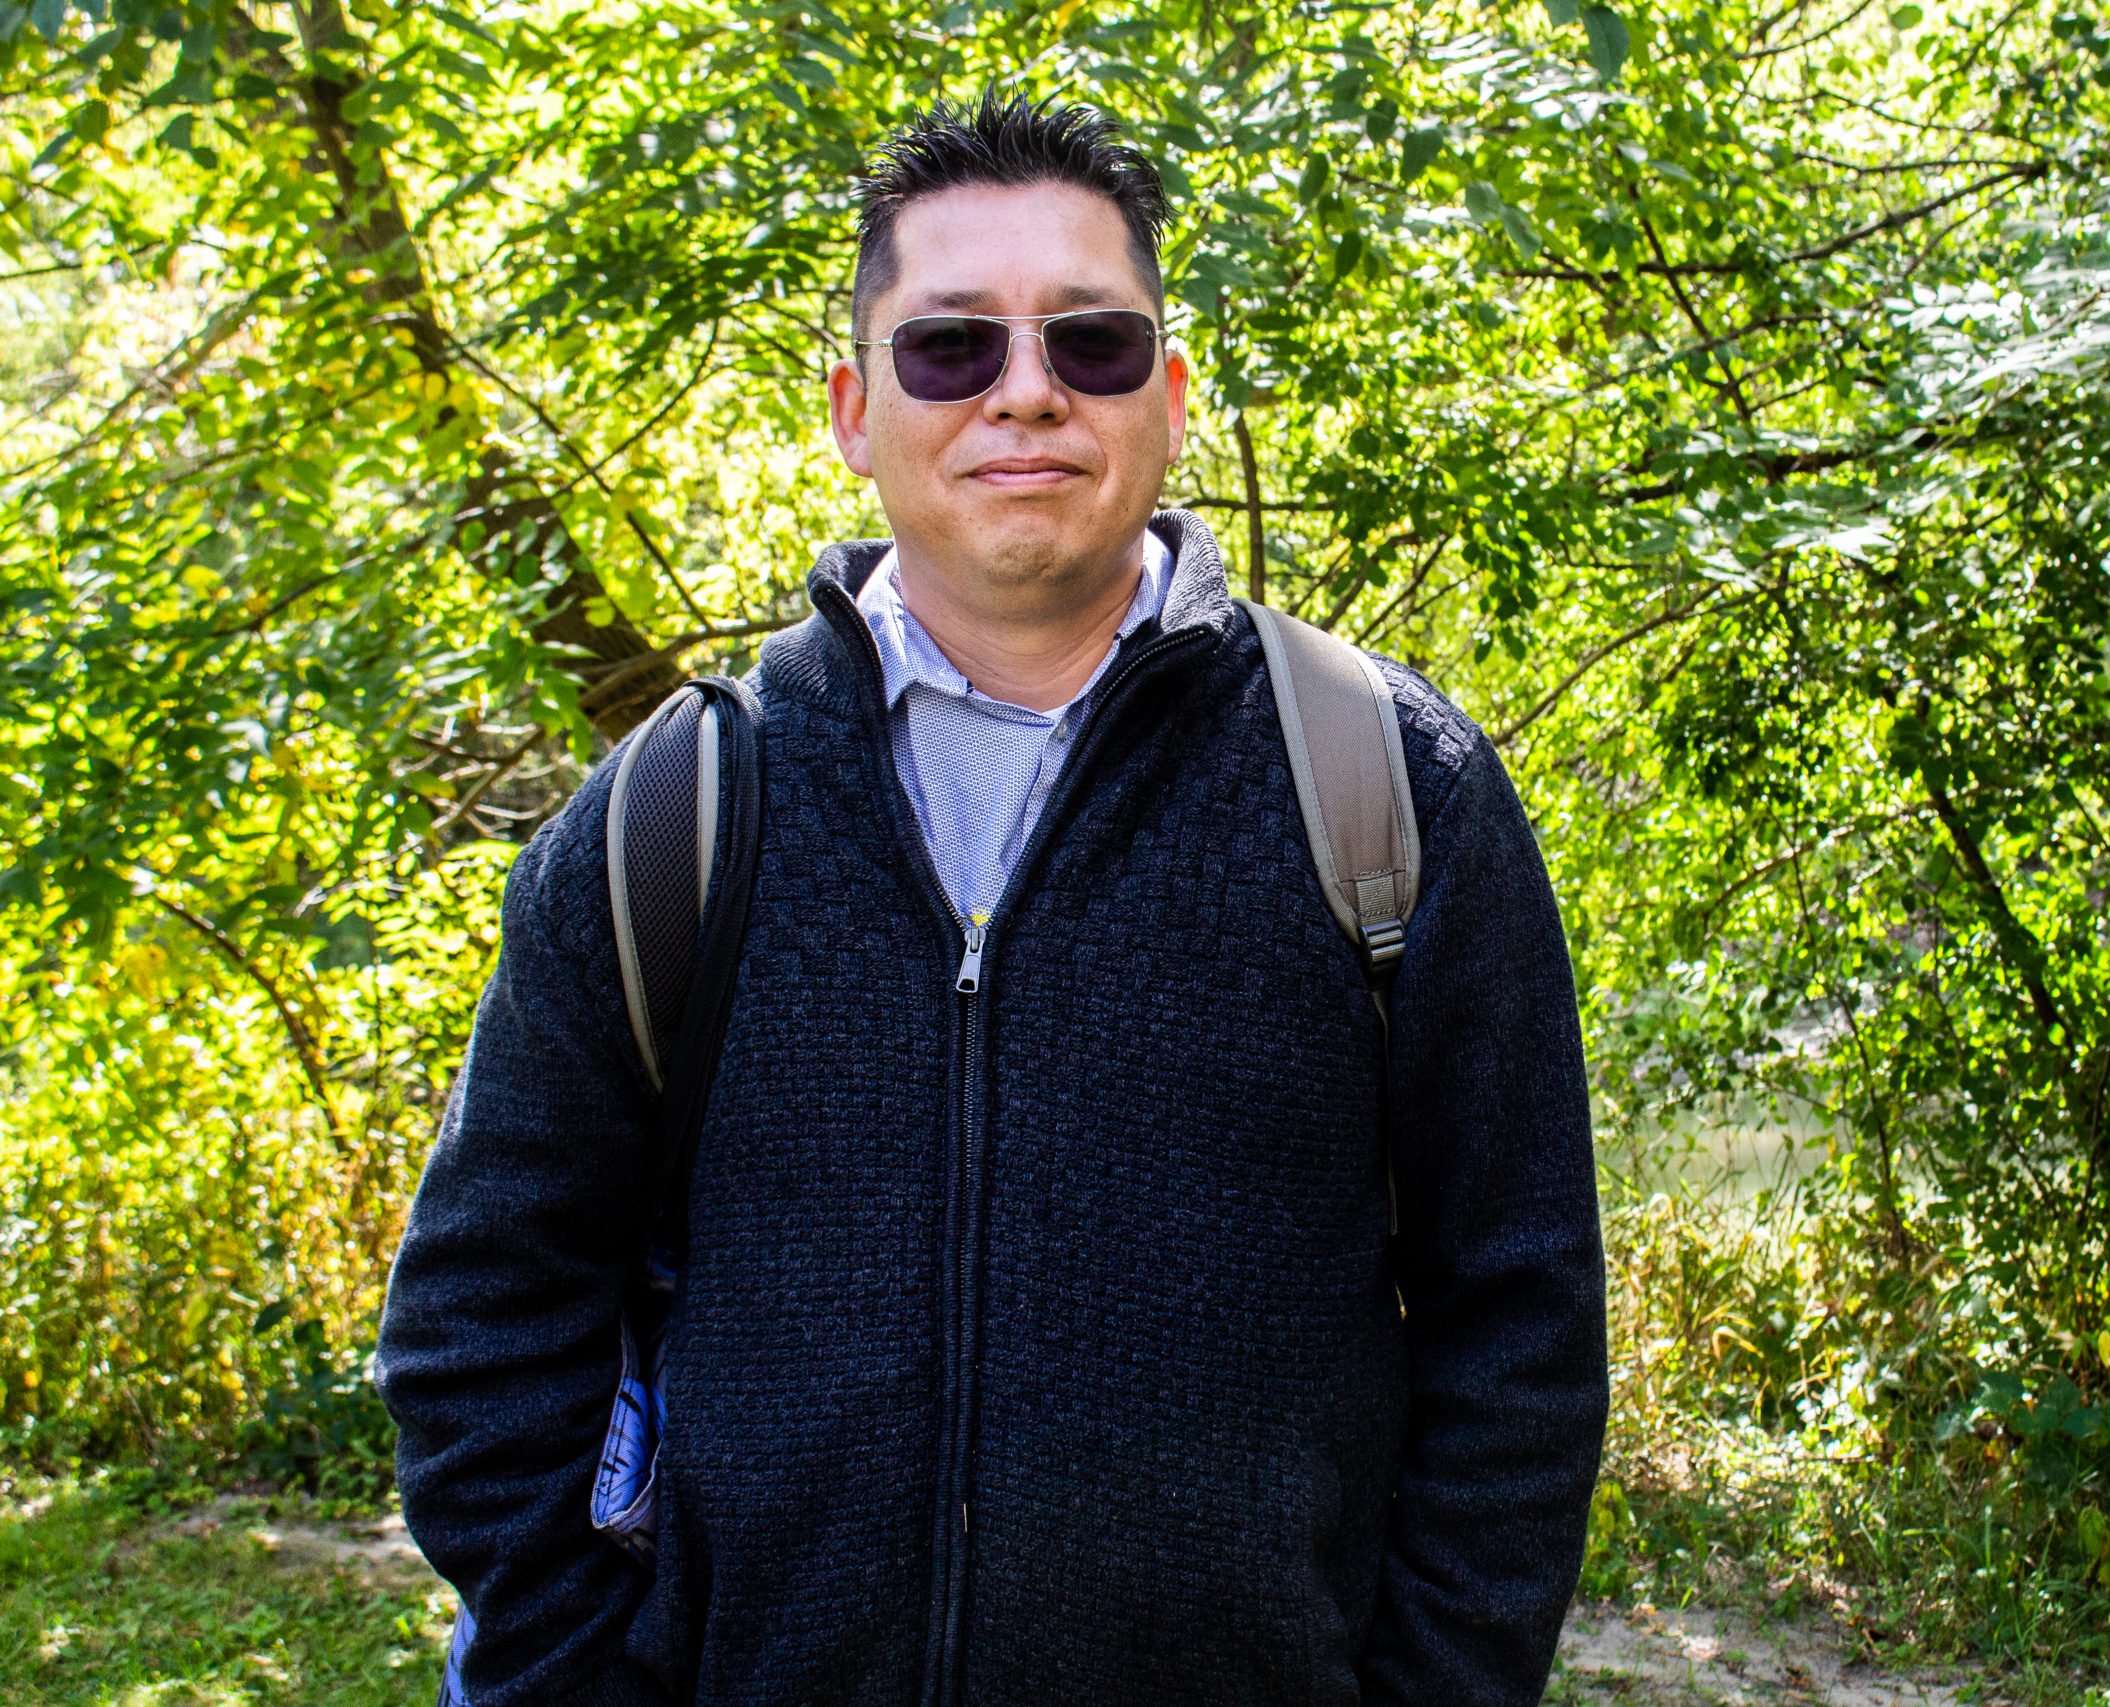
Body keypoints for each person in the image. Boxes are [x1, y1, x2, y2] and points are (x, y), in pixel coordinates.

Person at [376, 92, 1605, 1707]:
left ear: (1166, 397)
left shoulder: (1386, 788)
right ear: (850, 406)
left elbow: (1517, 1322)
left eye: (1090, 344)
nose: (1025, 393)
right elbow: (482, 1309)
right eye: (951, 347)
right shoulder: (681, 813)